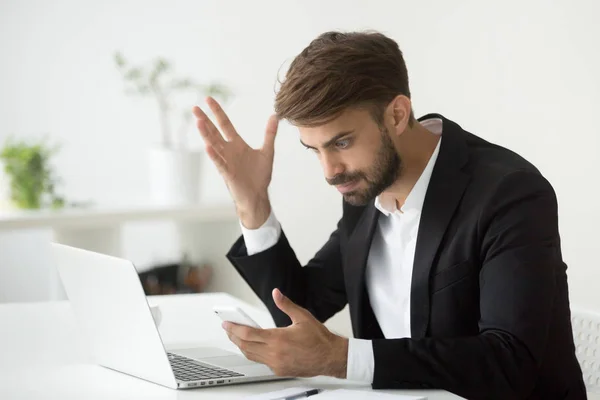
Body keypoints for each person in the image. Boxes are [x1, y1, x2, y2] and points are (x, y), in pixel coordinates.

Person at [191, 31, 586, 399]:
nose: (330, 172)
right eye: (314, 150)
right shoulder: (365, 188)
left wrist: (341, 358)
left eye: (341, 142)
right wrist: (253, 203)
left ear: (397, 115)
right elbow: (303, 304)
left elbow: (509, 361)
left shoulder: (509, 193)